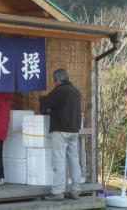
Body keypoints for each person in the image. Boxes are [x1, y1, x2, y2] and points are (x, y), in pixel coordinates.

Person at [40, 69, 82, 201]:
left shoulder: (60, 91)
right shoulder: (76, 92)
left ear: (57, 80)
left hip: (61, 129)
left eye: (54, 80)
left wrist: (41, 100)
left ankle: (58, 191)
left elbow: (46, 102)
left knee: (58, 160)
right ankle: (75, 190)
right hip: (74, 130)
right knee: (74, 160)